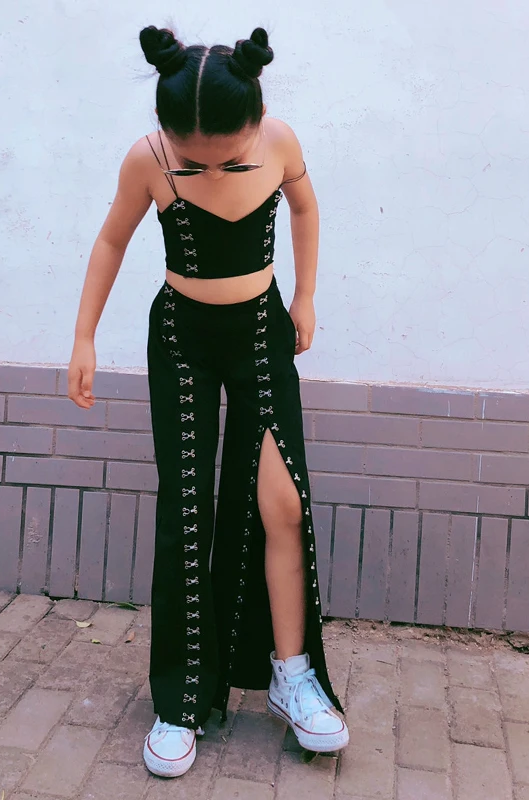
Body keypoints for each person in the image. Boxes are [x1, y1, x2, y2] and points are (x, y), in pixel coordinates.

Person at [67, 25, 349, 778]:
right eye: (196, 162)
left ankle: (292, 676)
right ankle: (183, 698)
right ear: (167, 134)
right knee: (187, 508)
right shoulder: (147, 157)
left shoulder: (280, 141)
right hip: (182, 339)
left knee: (282, 503)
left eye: (230, 158)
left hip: (260, 332)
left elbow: (305, 210)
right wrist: (84, 337)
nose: (214, 171)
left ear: (256, 117)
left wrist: (306, 297)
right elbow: (111, 241)